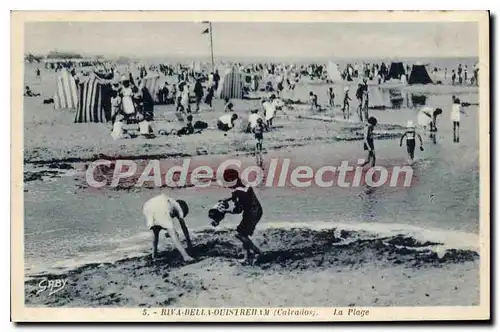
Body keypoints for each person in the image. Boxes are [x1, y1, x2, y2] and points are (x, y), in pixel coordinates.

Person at [208, 169, 263, 264]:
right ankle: (248, 256)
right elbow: (240, 194)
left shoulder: (239, 192)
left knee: (240, 234)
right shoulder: (242, 183)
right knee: (243, 234)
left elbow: (238, 210)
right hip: (255, 209)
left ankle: (258, 252)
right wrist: (229, 198)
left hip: (252, 212)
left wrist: (226, 210)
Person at [143, 194, 194, 262]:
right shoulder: (178, 207)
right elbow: (183, 226)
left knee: (155, 230)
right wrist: (188, 241)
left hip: (147, 206)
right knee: (173, 234)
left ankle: (154, 255)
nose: (176, 217)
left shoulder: (171, 203)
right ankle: (185, 256)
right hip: (161, 206)